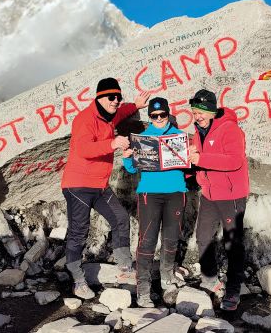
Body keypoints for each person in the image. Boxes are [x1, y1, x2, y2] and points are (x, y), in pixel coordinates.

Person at [61, 77, 150, 299]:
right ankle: (77, 279)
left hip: (100, 185)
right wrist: (112, 144)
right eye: (111, 97)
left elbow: (121, 112)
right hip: (78, 185)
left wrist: (136, 105)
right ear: (99, 98)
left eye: (118, 97)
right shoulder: (85, 119)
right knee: (79, 231)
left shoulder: (109, 115)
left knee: (120, 218)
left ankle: (124, 269)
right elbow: (83, 149)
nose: (116, 101)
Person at [187, 89, 250, 311]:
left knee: (233, 243)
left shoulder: (230, 129)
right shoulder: (198, 131)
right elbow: (200, 161)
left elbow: (234, 161)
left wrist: (201, 158)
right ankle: (210, 279)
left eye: (202, 112)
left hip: (231, 194)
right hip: (209, 194)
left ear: (212, 111)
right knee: (203, 237)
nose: (198, 116)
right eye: (194, 112)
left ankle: (233, 290)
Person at [122, 97, 187, 308]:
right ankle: (143, 290)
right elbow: (132, 169)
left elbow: (189, 166)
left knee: (171, 238)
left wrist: (192, 156)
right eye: (154, 116)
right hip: (150, 193)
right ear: (150, 116)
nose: (159, 119)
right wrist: (126, 157)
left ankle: (167, 276)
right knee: (147, 239)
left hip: (176, 191)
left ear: (168, 113)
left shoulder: (179, 135)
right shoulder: (142, 137)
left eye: (162, 115)